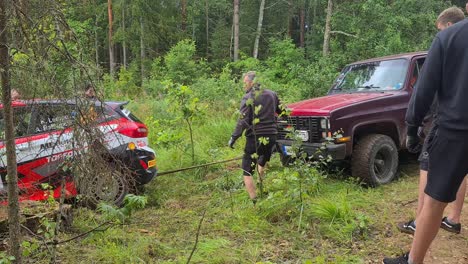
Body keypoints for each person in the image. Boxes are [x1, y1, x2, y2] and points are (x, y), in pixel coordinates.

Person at [383, 6, 468, 264]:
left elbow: (424, 89)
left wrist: (412, 128)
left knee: (433, 201)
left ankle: (414, 261)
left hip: (455, 131)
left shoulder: (450, 37)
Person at [228, 71, 283, 204]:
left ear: (252, 82)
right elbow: (282, 110)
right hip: (272, 136)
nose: (244, 85)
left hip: (255, 137)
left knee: (246, 169)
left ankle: (255, 201)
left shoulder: (248, 97)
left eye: (245, 82)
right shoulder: (272, 94)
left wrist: (234, 137)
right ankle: (260, 184)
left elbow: (242, 120)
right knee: (263, 159)